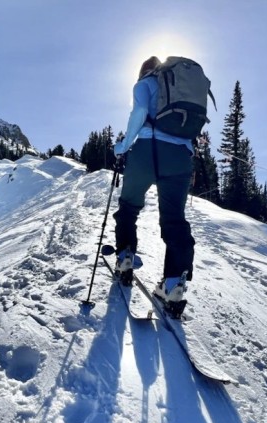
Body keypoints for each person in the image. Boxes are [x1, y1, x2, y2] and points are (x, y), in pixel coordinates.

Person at [112, 56, 196, 313]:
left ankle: (125, 258)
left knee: (128, 207)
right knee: (174, 219)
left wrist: (122, 146)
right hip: (180, 158)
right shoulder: (181, 88)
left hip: (147, 153)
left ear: (142, 72)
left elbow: (139, 113)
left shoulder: (144, 84)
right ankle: (173, 284)